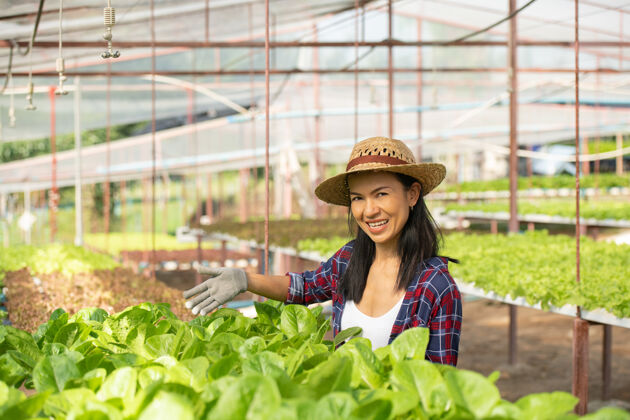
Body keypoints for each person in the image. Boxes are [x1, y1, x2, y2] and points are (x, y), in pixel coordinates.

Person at [183, 137, 462, 366]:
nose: (369, 210)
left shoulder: (437, 288)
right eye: (358, 198)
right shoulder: (349, 260)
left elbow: (437, 383)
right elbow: (304, 288)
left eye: (381, 194)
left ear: (412, 194)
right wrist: (245, 280)